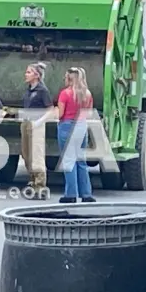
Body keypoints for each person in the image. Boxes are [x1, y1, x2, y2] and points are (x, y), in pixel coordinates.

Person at [56, 67, 96, 203]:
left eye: (66, 76)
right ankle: (86, 194)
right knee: (81, 161)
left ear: (70, 78)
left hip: (66, 126)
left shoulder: (65, 94)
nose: (64, 79)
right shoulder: (88, 94)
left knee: (68, 161)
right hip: (81, 126)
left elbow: (60, 114)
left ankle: (70, 194)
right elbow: (88, 114)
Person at [20, 62, 54, 199]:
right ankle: (32, 180)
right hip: (26, 122)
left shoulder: (42, 91)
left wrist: (40, 121)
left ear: (37, 75)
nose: (25, 74)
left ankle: (40, 185)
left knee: (37, 155)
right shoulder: (29, 90)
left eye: (29, 72)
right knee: (26, 154)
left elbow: (51, 110)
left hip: (37, 124)